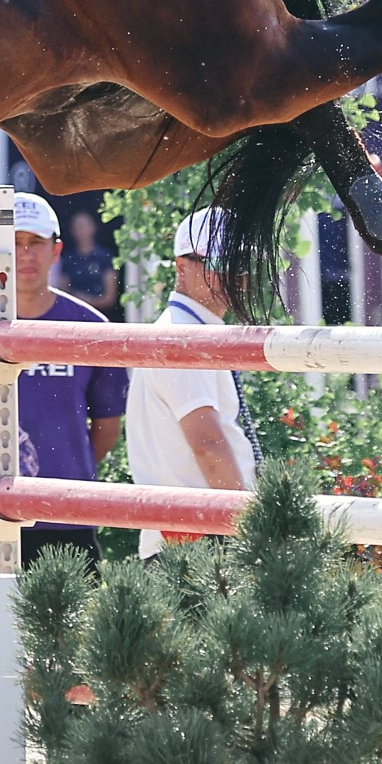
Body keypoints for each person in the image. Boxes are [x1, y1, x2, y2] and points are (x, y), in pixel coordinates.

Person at [119, 208, 259, 553]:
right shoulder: (183, 337)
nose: (234, 275)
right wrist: (249, 531)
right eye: (219, 263)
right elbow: (208, 444)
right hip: (201, 537)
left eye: (240, 263)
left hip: (191, 533)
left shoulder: (186, 330)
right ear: (181, 266)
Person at [10, 194, 128, 570]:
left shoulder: (90, 327)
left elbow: (108, 427)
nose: (25, 254)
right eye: (15, 242)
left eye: (35, 242)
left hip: (68, 513)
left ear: (56, 250)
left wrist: (66, 471)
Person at [55, 209, 122, 317]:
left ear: (93, 227)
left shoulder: (105, 257)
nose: (81, 231)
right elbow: (62, 291)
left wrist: (87, 300)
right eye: (77, 227)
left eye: (84, 226)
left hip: (101, 316)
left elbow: (110, 297)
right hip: (74, 316)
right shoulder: (68, 259)